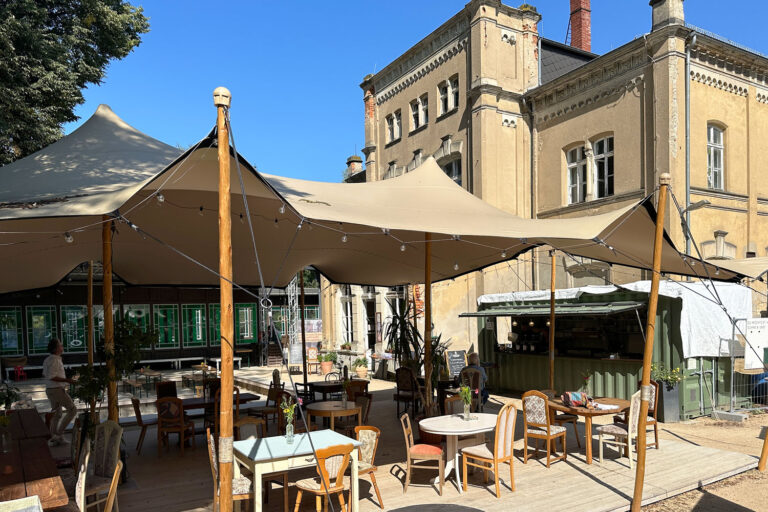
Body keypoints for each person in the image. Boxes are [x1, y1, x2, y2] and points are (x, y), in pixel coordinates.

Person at [43, 338, 77, 446]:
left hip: (51, 390)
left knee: (57, 414)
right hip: (56, 390)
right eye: (61, 345)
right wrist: (67, 380)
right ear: (56, 348)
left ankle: (55, 438)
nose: (62, 347)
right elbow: (52, 376)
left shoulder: (49, 359)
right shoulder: (54, 360)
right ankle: (58, 434)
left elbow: (45, 374)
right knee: (72, 409)